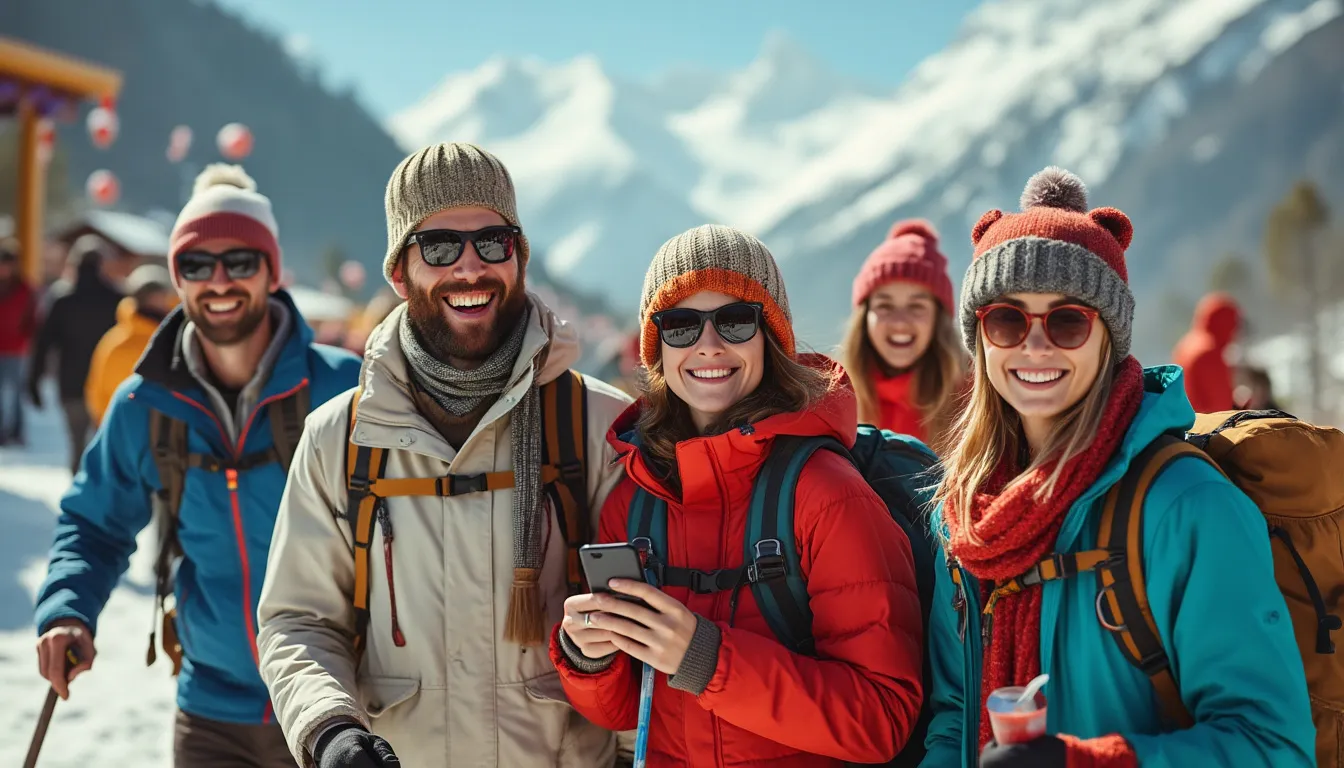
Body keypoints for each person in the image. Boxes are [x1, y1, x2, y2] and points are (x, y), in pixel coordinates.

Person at [256, 142, 633, 768]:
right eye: (438, 247)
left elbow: (646, 620)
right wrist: (330, 730)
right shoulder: (339, 439)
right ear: (399, 272)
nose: (469, 267)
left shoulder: (601, 424)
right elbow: (298, 621)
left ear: (519, 259)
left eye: (493, 242)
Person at [922, 168, 1314, 767]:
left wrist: (1084, 762)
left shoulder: (1184, 506)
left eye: (1068, 320)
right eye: (1006, 319)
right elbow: (955, 714)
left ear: (1109, 336)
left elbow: (1274, 746)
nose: (1035, 345)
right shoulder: (963, 517)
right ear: (980, 338)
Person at [551, 224, 925, 766]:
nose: (708, 345)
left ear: (769, 337)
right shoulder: (632, 500)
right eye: (680, 325)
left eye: (734, 320)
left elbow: (881, 719)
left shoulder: (825, 492)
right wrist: (589, 660)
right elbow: (630, 709)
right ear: (656, 349)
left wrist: (707, 659)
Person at [33, 164, 362, 767]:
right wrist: (68, 609)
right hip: (211, 710)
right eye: (196, 264)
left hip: (337, 709)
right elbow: (93, 523)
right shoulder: (145, 405)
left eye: (240, 261)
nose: (219, 281)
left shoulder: (345, 389)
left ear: (271, 269)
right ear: (176, 277)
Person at [842, 219, 966, 451]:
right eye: (885, 305)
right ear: (864, 316)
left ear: (938, 319)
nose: (900, 322)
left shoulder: (974, 398)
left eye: (916, 306)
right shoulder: (833, 396)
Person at [26, 234, 123, 472]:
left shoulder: (62, 299)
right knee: (107, 445)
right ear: (102, 264)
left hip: (71, 383)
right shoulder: (117, 299)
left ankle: (79, 497)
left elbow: (43, 343)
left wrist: (34, 381)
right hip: (108, 384)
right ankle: (103, 499)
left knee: (77, 444)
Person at [85, 263, 179, 425]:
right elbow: (97, 392)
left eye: (161, 296)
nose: (159, 303)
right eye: (154, 297)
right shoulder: (116, 342)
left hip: (171, 431)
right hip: (126, 429)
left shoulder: (178, 334)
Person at [1170, 292, 1240, 413]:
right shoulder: (1209, 352)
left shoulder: (1185, 343)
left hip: (1187, 421)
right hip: (1208, 426)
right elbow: (1221, 408)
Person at [0, 238, 36, 445]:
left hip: (17, 348)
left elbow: (33, 319)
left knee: (16, 393)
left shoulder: (24, 289)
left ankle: (17, 431)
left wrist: (26, 338)